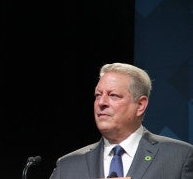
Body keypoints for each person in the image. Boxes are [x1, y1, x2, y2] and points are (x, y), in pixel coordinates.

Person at [49, 62, 193, 179]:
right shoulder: (67, 166)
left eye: (113, 95)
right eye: (98, 95)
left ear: (140, 105)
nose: (101, 102)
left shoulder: (179, 158)